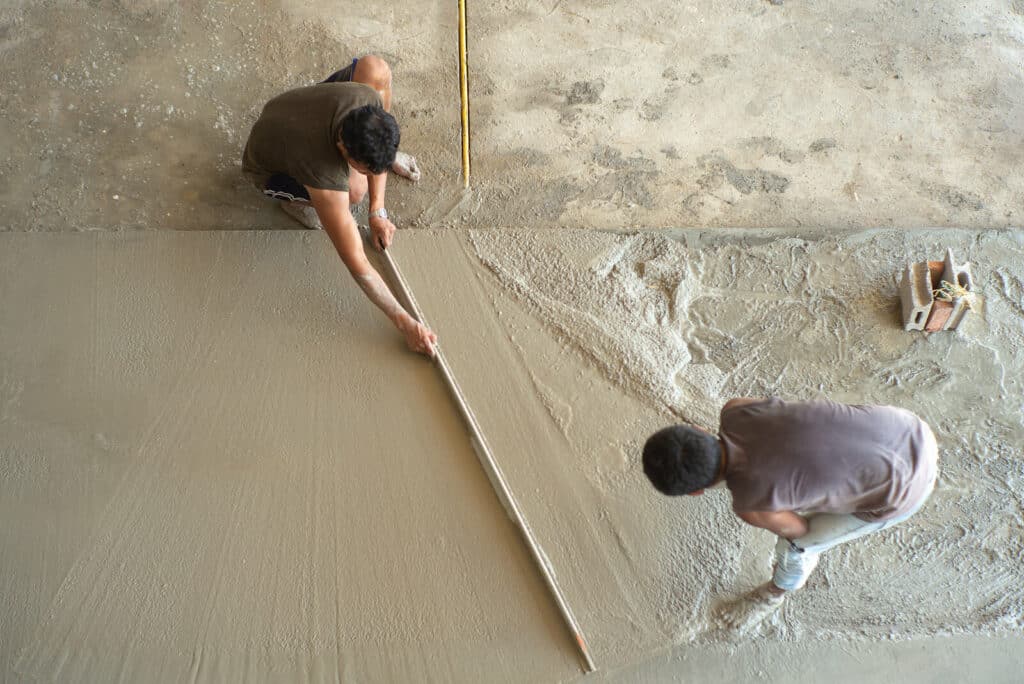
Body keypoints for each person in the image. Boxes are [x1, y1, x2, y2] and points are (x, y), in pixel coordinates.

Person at [642, 397, 938, 634]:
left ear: (695, 492)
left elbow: (798, 528)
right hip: (909, 428)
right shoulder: (735, 410)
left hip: (907, 490)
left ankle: (771, 596)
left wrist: (773, 499)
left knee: (795, 547)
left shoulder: (750, 506)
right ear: (698, 430)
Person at [242, 56, 435, 357]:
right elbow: (357, 263)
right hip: (268, 167)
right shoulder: (323, 172)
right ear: (344, 150)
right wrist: (405, 324)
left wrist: (378, 212)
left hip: (294, 110)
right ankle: (294, 201)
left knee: (376, 68)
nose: (374, 175)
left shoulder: (364, 101)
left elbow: (367, 158)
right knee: (353, 194)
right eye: (370, 168)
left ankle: (379, 155)